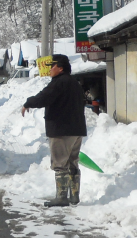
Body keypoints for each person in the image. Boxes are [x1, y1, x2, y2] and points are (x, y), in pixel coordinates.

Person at [20, 54, 87, 207]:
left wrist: (28, 102)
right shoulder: (75, 83)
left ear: (60, 68)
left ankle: (62, 197)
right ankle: (74, 196)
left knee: (60, 164)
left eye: (52, 66)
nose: (50, 69)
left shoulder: (58, 83)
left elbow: (44, 97)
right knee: (72, 163)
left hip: (61, 130)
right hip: (77, 130)